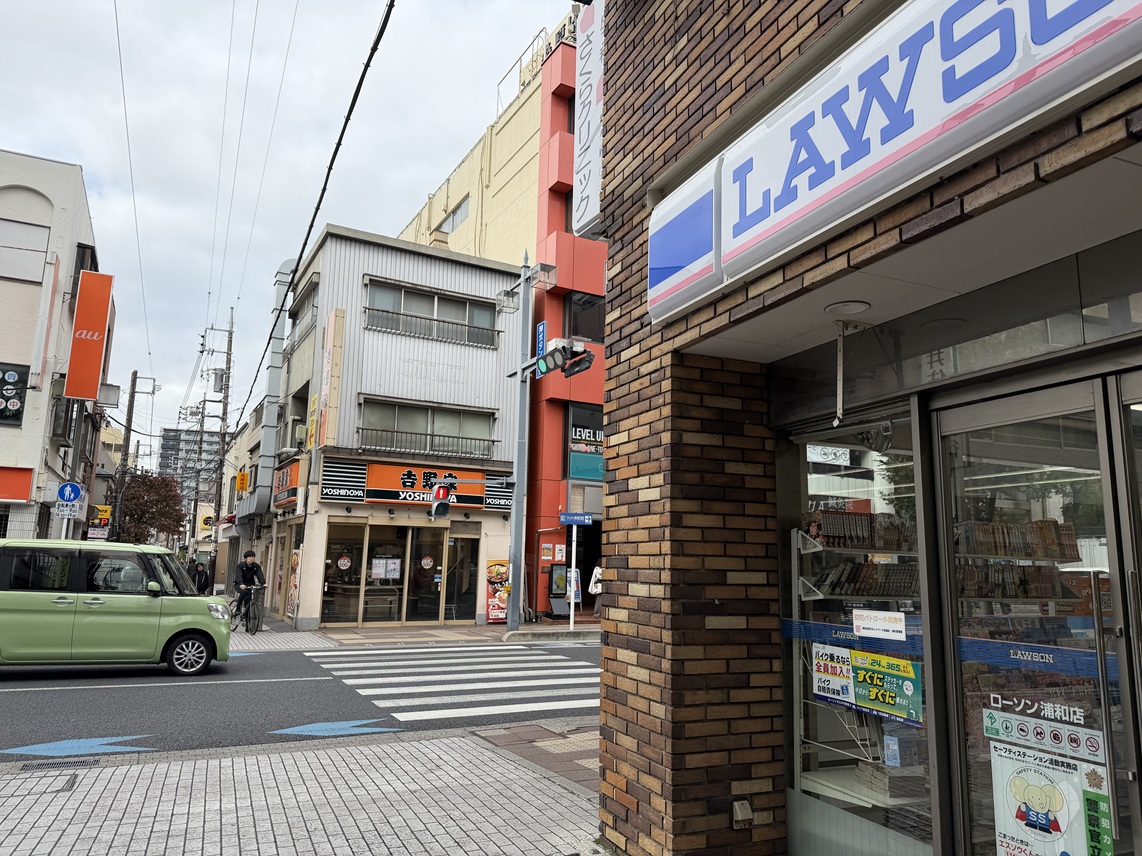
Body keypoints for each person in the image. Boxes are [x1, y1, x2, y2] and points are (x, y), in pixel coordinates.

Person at [234, 550, 265, 623]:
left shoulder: (256, 566)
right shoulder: (240, 566)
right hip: (239, 584)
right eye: (250, 557)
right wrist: (241, 584)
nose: (252, 559)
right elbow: (239, 575)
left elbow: (259, 574)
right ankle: (238, 608)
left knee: (248, 602)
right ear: (246, 558)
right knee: (244, 592)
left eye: (253, 557)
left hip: (250, 585)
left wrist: (263, 583)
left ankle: (247, 623)